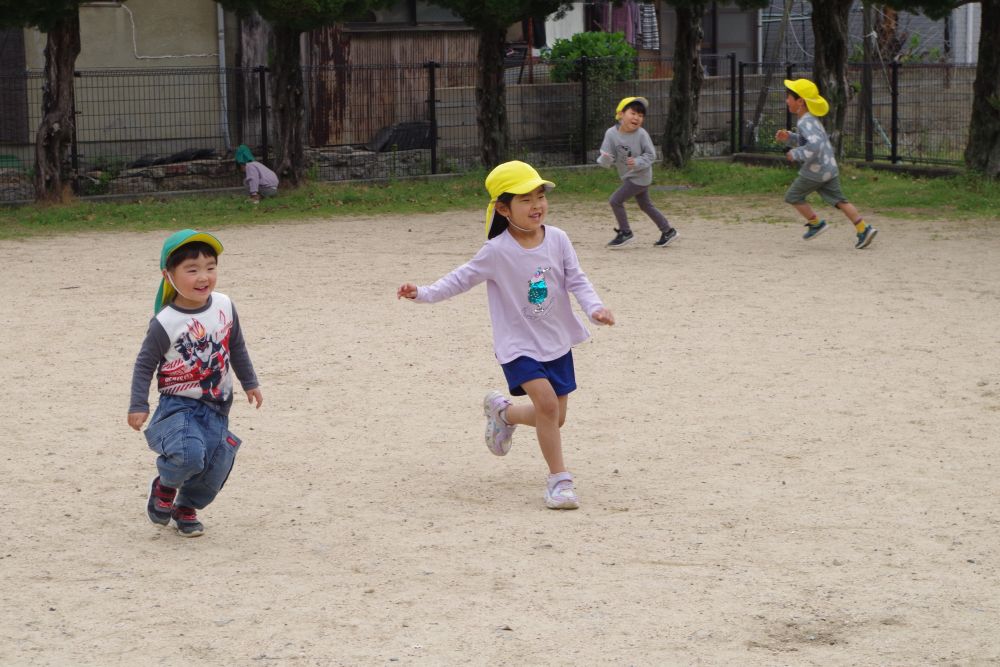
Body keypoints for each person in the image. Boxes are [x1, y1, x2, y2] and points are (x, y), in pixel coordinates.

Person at [397, 161, 615, 510]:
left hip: (556, 342)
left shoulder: (557, 239)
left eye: (540, 196)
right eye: (526, 199)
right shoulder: (496, 251)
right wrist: (422, 292)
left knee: (555, 418)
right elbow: (460, 278)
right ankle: (560, 481)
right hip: (518, 346)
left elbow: (577, 279)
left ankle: (505, 414)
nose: (537, 205)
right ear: (503, 208)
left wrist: (595, 308)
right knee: (545, 405)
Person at [127, 229, 263, 537]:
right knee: (189, 454)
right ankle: (165, 486)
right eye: (192, 269)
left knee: (215, 466)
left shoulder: (225, 305)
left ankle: (185, 506)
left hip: (217, 407)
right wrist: (138, 404)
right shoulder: (165, 322)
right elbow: (144, 363)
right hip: (179, 405)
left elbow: (236, 345)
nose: (203, 276)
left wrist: (249, 381)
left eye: (210, 267)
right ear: (169, 274)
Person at [775, 79, 878, 249]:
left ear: (800, 101)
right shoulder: (811, 120)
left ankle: (816, 224)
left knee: (793, 196)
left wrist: (796, 153)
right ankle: (864, 229)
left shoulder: (805, 122)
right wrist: (790, 137)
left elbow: (813, 146)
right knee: (841, 201)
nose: (786, 101)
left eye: (788, 97)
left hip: (814, 171)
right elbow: (809, 140)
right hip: (829, 168)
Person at [597, 96, 678, 249]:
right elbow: (606, 156)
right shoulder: (611, 134)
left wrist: (637, 162)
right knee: (645, 205)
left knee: (615, 200)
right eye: (633, 113)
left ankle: (625, 232)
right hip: (629, 176)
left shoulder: (641, 134)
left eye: (640, 116)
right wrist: (605, 159)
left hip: (640, 176)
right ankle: (668, 231)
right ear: (621, 114)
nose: (637, 118)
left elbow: (651, 155)